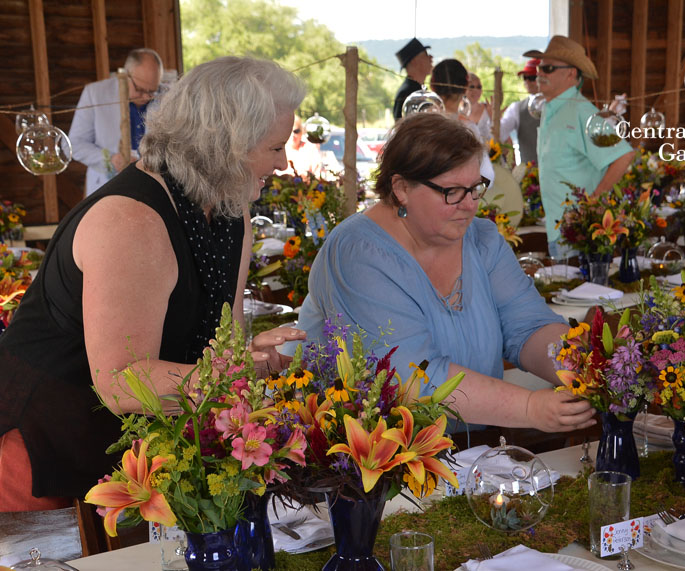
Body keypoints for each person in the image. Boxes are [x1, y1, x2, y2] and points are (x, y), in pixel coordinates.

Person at [0, 56, 307, 511]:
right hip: (47, 451)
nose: (284, 164)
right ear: (226, 144)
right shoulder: (130, 220)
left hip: (140, 453)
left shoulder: (229, 206)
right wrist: (238, 371)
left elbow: (222, 337)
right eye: (275, 147)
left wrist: (252, 355)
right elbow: (122, 382)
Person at [293, 112, 596, 435]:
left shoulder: (482, 240)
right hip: (370, 462)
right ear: (401, 188)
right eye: (451, 191)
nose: (469, 205)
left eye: (475, 188)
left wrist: (591, 371)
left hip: (472, 452)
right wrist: (528, 408)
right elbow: (412, 379)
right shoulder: (357, 255)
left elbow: (528, 327)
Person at [525, 36, 635, 258]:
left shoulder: (582, 111)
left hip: (578, 233)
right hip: (559, 230)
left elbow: (623, 155)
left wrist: (592, 201)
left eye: (548, 68)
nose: (540, 73)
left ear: (571, 73)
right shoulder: (550, 108)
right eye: (539, 67)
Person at [69, 48, 164, 196]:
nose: (145, 97)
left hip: (152, 188)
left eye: (152, 91)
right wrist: (110, 159)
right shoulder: (95, 93)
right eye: (139, 89)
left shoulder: (167, 96)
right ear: (125, 75)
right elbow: (75, 144)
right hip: (107, 187)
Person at [430, 59, 494, 185]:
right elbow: (487, 177)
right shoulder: (468, 129)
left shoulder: (417, 124)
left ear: (432, 87)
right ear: (465, 87)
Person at [498, 59, 541, 165]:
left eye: (531, 78)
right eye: (525, 78)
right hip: (529, 177)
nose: (527, 82)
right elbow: (500, 133)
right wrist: (493, 118)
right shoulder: (516, 108)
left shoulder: (559, 107)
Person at [392, 38, 434, 121]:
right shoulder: (407, 93)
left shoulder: (415, 89)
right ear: (415, 61)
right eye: (426, 55)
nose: (431, 57)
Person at [466, 72, 492, 143]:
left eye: (479, 87)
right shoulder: (458, 111)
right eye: (471, 87)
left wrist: (493, 117)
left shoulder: (489, 108)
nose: (476, 90)